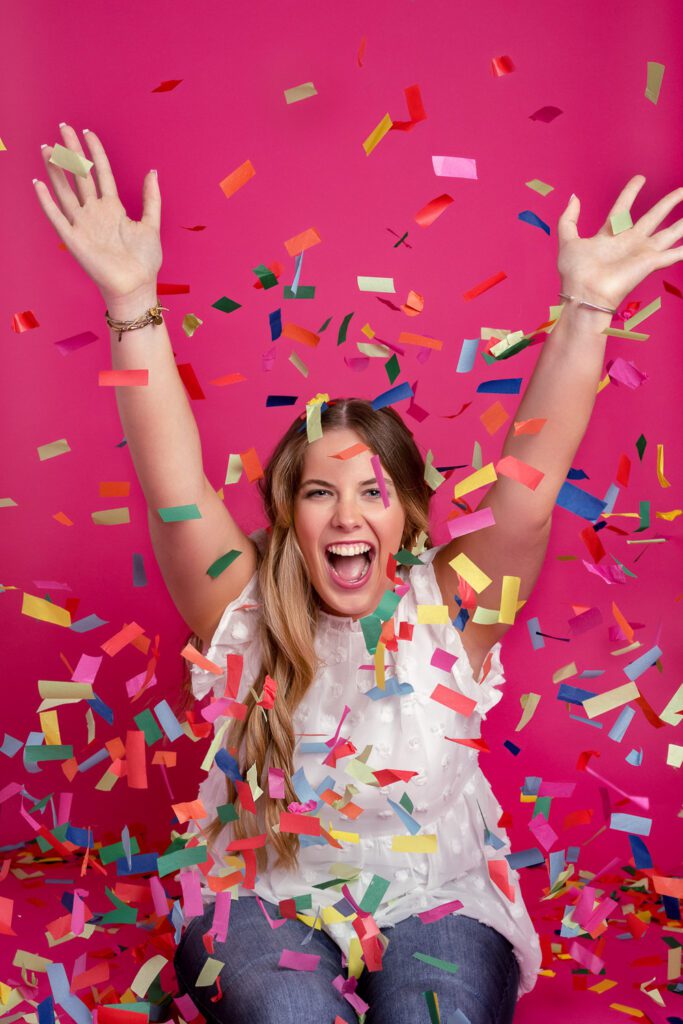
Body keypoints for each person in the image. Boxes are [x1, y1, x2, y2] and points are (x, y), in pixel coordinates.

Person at [33, 125, 683, 1024]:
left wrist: (585, 305)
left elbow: (528, 498)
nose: (345, 515)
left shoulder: (452, 609)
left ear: (409, 518)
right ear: (287, 519)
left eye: (371, 492)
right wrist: (132, 300)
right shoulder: (242, 609)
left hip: (437, 892)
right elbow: (174, 487)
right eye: (317, 492)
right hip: (264, 895)